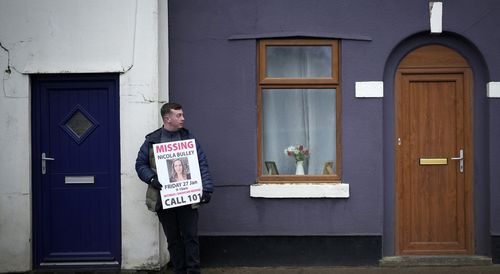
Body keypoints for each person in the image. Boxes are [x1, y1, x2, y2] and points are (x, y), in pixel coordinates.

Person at [135, 102, 213, 274]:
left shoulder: (189, 139)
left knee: (191, 237)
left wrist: (207, 189)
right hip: (164, 199)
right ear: (167, 118)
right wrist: (152, 178)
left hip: (188, 198)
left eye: (182, 115)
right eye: (178, 115)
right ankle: (179, 270)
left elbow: (202, 164)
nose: (183, 118)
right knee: (173, 239)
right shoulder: (152, 140)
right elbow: (140, 164)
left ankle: (193, 271)